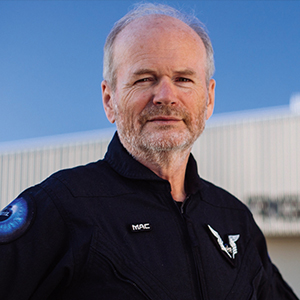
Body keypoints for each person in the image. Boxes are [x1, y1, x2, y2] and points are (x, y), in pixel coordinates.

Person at [0, 3, 298, 300]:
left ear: (209, 99)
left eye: (183, 79)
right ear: (109, 100)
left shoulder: (234, 219)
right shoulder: (61, 207)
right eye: (144, 79)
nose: (166, 96)